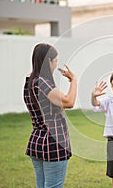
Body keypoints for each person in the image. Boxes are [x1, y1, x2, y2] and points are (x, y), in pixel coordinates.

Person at [23, 43, 77, 188]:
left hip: (37, 141)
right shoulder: (43, 83)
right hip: (53, 144)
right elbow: (69, 102)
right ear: (49, 61)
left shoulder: (29, 82)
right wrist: (74, 81)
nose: (55, 65)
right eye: (55, 61)